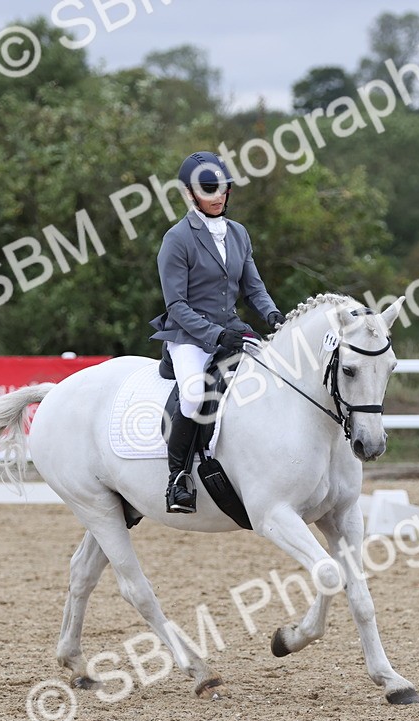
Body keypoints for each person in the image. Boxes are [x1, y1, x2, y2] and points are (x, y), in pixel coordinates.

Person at [149, 151, 286, 513]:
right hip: (188, 336)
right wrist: (214, 335)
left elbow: (253, 288)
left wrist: (272, 315)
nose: (220, 196)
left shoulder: (238, 233)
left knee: (277, 373)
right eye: (210, 190)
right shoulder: (177, 239)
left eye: (223, 188)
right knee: (193, 395)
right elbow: (176, 306)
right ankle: (177, 480)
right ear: (191, 195)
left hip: (232, 329)